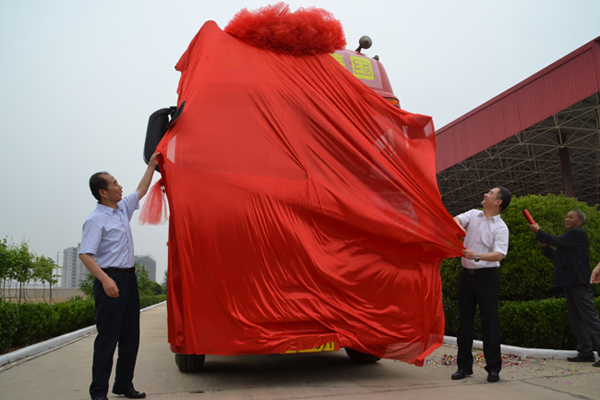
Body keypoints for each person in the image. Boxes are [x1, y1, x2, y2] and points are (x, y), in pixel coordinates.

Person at [79, 153, 160, 400]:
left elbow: (141, 189)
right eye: (114, 183)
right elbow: (85, 254)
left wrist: (152, 165)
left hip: (128, 280)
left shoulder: (122, 209)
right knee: (108, 339)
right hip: (110, 280)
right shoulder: (95, 220)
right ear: (103, 192)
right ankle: (98, 392)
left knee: (130, 337)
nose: (119, 186)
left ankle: (123, 384)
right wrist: (105, 280)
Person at [451, 187, 512, 383]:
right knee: (465, 323)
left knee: (489, 324)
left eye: (491, 193)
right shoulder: (473, 215)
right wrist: (458, 226)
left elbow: (499, 254)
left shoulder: (501, 227)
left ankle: (493, 369)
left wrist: (476, 255)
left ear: (498, 202)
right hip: (466, 277)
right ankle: (463, 366)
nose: (486, 193)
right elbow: (456, 219)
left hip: (487, 278)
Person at [530, 209, 600, 367]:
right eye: (566, 216)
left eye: (571, 217)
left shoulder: (578, 233)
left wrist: (538, 231)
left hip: (580, 282)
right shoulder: (569, 237)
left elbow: (555, 240)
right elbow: (558, 259)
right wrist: (545, 247)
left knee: (590, 318)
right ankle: (585, 352)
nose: (567, 219)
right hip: (570, 282)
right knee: (576, 319)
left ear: (580, 221)